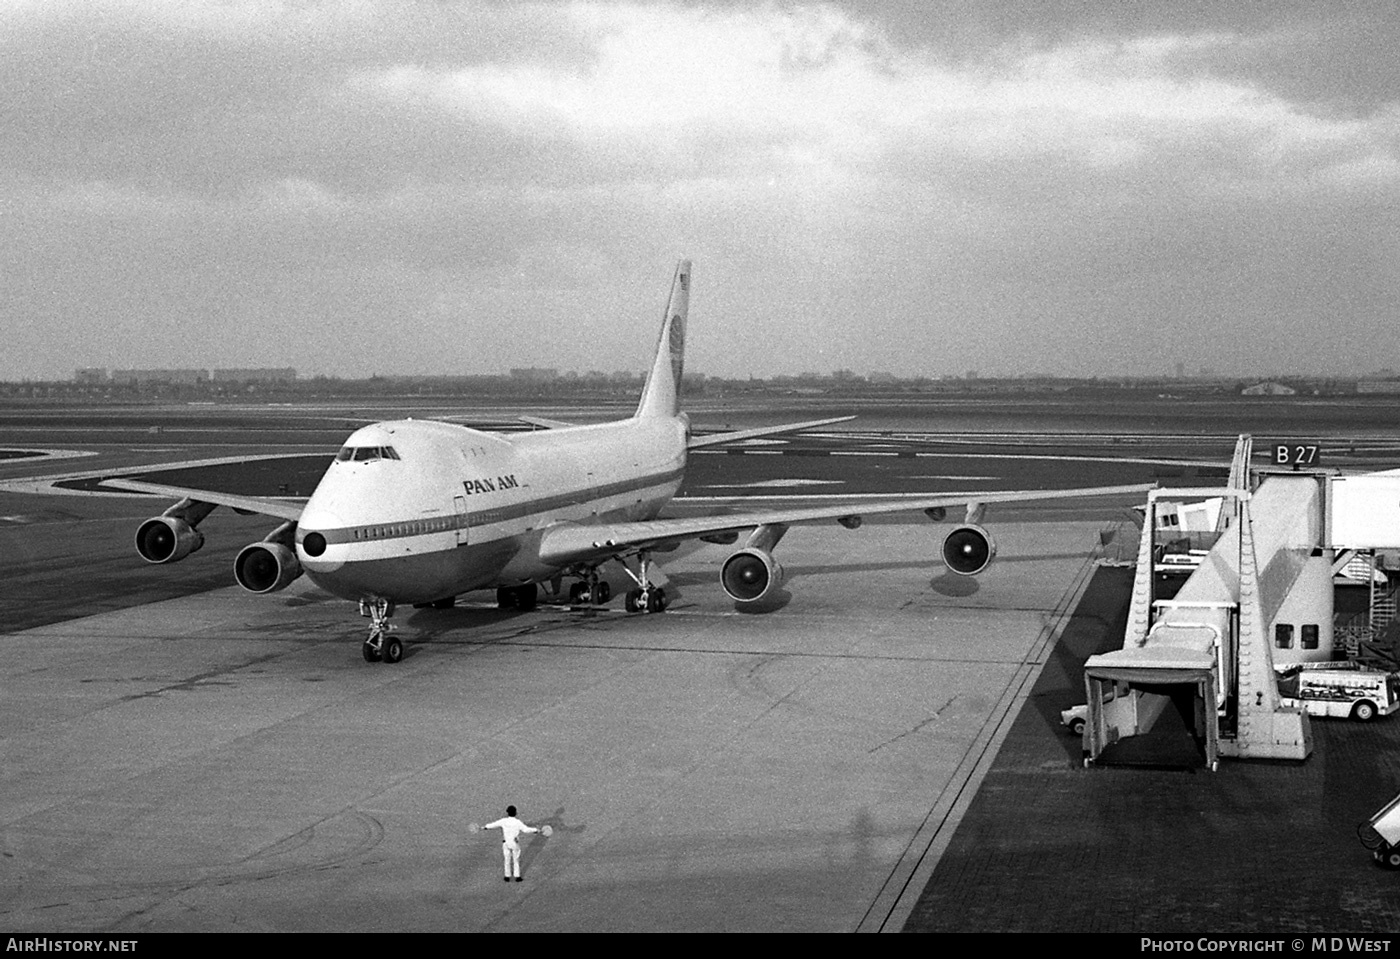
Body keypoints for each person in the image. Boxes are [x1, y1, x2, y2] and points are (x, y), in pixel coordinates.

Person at [483, 805, 540, 882]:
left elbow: (493, 825)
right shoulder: (518, 822)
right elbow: (526, 830)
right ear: (516, 813)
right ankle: (517, 876)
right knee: (516, 859)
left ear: (507, 813)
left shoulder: (503, 821)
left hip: (506, 843)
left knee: (507, 859)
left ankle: (507, 876)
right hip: (514, 843)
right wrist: (535, 830)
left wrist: (485, 827)